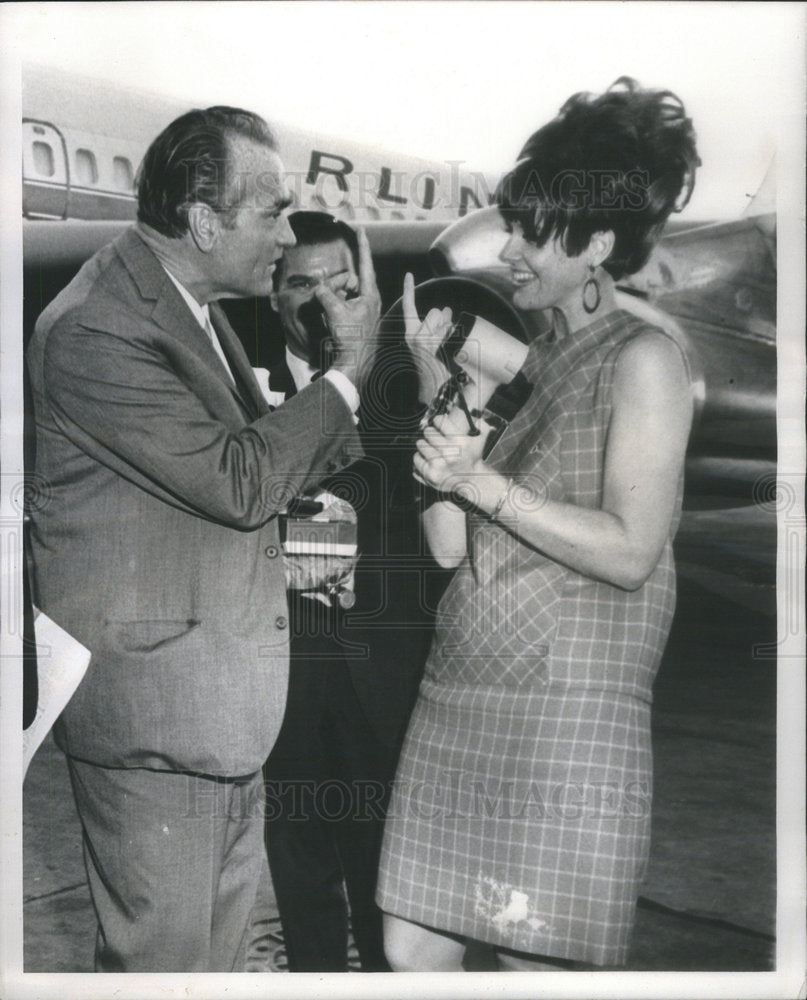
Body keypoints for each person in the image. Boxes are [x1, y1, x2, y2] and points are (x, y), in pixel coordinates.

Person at [26, 106, 380, 972]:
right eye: (271, 212)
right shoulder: (99, 326)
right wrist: (348, 374)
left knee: (208, 966)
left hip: (213, 711)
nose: (289, 234)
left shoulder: (189, 304)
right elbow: (239, 480)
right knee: (163, 967)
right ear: (202, 221)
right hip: (157, 725)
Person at [377, 78, 700, 971]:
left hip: (562, 715)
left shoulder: (643, 359)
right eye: (511, 224)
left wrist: (476, 479)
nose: (509, 248)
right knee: (411, 948)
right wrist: (450, 404)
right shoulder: (541, 360)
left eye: (532, 229)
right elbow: (450, 547)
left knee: (536, 965)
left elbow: (632, 551)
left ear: (597, 242)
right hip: (461, 697)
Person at [262, 210, 425, 972]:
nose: (323, 300)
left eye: (343, 283)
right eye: (301, 283)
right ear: (270, 295)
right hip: (281, 674)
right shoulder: (239, 382)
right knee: (299, 878)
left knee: (382, 883)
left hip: (376, 674)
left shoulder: (403, 383)